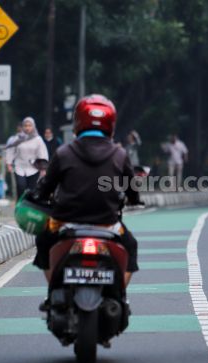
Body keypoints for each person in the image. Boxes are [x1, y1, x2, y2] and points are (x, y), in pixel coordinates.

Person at [32, 94, 140, 289]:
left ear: (78, 122)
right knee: (130, 246)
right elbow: (132, 189)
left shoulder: (63, 153)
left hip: (66, 222)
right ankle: (120, 294)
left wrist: (40, 196)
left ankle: (53, 291)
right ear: (110, 124)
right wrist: (133, 199)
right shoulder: (120, 154)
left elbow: (45, 186)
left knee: (43, 241)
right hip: (108, 223)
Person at [5, 117, 49, 200]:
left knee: (31, 190)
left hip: (33, 167)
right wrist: (9, 163)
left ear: (33, 126)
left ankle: (29, 207)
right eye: (25, 125)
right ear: (23, 127)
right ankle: (19, 206)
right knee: (21, 186)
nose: (27, 128)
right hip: (19, 166)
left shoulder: (38, 139)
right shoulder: (18, 138)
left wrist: (43, 169)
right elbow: (11, 150)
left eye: (29, 125)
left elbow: (42, 154)